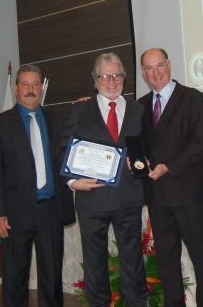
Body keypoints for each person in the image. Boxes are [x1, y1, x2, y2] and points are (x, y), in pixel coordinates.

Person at [61, 52, 147, 307]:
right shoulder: (80, 110)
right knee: (94, 265)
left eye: (117, 75)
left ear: (124, 78)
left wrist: (142, 161)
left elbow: (147, 147)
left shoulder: (138, 110)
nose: (112, 81)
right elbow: (62, 149)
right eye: (105, 76)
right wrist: (72, 182)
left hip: (128, 197)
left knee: (133, 262)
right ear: (95, 79)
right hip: (92, 197)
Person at [0, 64, 75, 307]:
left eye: (35, 84)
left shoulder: (58, 119)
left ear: (41, 88)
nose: (31, 89)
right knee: (14, 278)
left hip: (51, 210)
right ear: (16, 88)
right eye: (25, 84)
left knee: (52, 277)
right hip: (14, 213)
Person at [138, 48, 203, 307]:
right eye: (149, 68)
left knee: (201, 261)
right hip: (157, 197)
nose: (156, 73)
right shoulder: (140, 106)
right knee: (167, 264)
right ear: (143, 73)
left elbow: (201, 145)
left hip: (189, 195)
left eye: (159, 65)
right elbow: (138, 145)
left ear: (169, 65)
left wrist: (168, 167)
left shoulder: (193, 98)